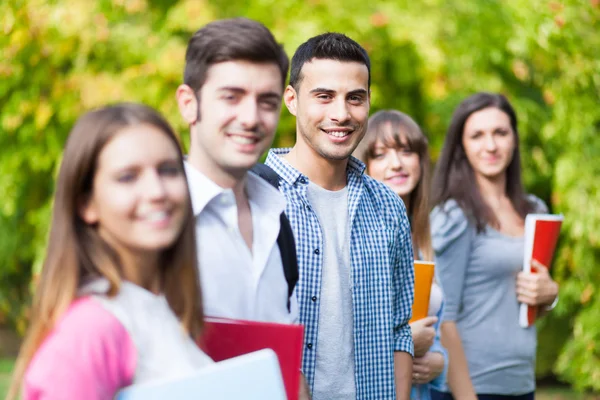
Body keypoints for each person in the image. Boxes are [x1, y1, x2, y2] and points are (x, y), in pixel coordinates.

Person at [7, 103, 213, 400]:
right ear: (86, 204)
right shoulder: (91, 329)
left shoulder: (157, 306)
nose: (157, 191)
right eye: (128, 177)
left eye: (168, 170)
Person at [265, 33, 415, 400]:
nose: (341, 114)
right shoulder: (255, 197)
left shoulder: (388, 205)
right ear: (292, 100)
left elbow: (399, 328)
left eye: (355, 98)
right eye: (324, 96)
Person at [429, 92, 559, 400]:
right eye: (477, 135)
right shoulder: (454, 216)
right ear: (462, 146)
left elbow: (521, 301)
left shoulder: (535, 211)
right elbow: (444, 318)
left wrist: (549, 295)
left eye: (500, 133)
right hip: (472, 389)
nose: (490, 145)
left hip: (521, 383)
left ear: (514, 138)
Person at [175, 18, 299, 324]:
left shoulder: (277, 219)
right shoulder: (154, 219)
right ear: (189, 104)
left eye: (267, 102)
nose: (251, 118)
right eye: (231, 97)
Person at [354, 109, 448, 400]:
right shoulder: (358, 236)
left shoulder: (431, 235)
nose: (396, 164)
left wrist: (439, 362)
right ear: (364, 164)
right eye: (380, 155)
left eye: (406, 151)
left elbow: (443, 329)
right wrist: (406, 341)